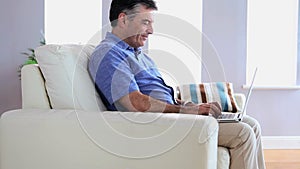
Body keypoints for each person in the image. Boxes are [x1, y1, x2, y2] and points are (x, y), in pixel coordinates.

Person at [89, 0, 266, 169]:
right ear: (123, 19)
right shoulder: (108, 53)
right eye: (145, 22)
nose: (151, 30)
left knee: (252, 124)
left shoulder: (140, 55)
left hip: (172, 118)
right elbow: (134, 102)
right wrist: (185, 111)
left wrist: (192, 107)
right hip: (156, 125)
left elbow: (159, 96)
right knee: (242, 133)